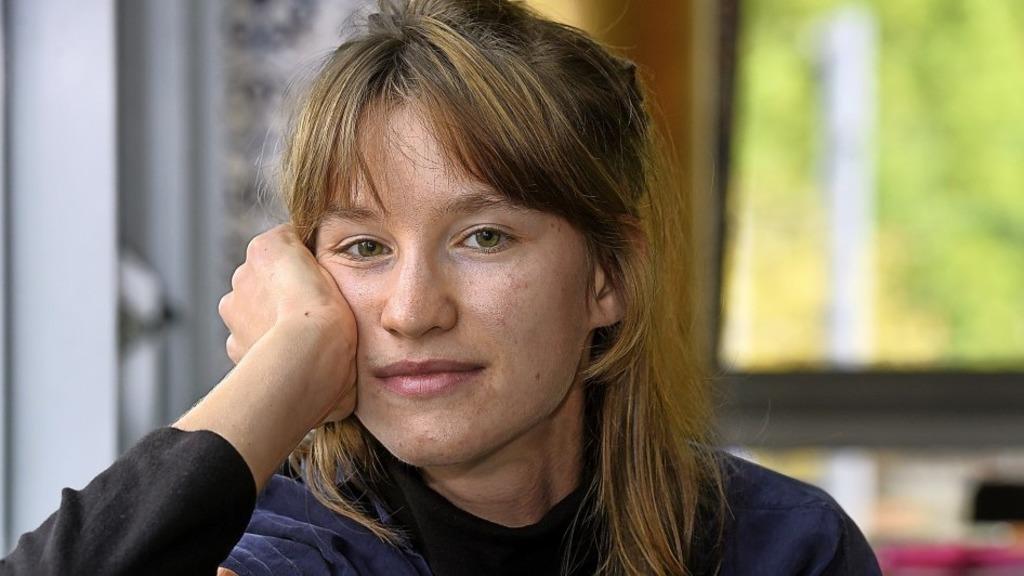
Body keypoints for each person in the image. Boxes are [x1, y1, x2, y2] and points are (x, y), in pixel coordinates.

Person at [1, 1, 881, 575]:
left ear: (608, 277)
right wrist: (283, 370)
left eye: (484, 237)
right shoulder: (285, 552)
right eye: (364, 248)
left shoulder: (785, 548)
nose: (414, 311)